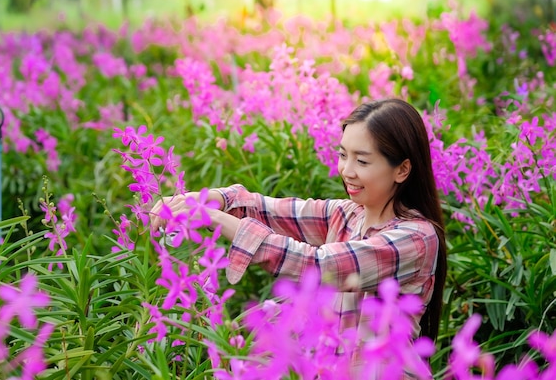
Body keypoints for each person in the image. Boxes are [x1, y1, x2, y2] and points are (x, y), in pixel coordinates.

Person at [150, 98, 447, 346]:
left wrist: (214, 218)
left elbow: (320, 266)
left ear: (402, 169)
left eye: (363, 161)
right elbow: (270, 209)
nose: (347, 170)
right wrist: (212, 198)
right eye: (343, 155)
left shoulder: (416, 238)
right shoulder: (347, 213)